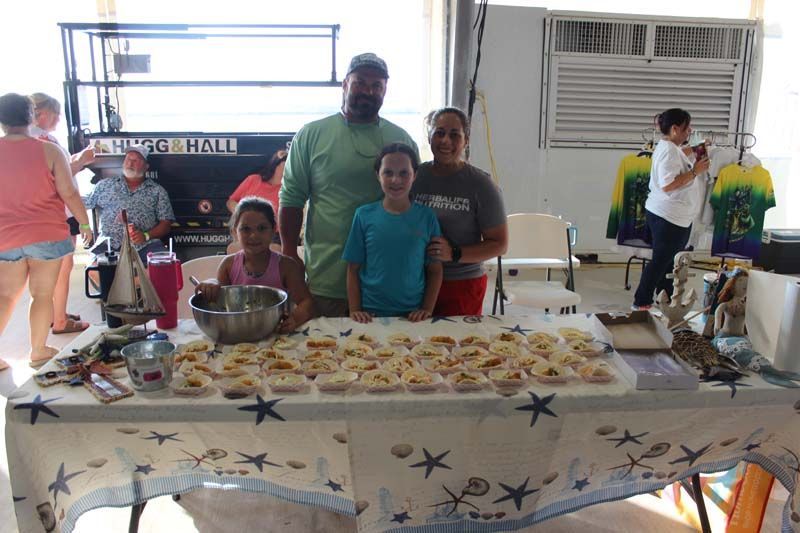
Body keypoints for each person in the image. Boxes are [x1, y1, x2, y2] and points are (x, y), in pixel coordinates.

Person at [280, 52, 419, 317]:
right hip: (328, 281)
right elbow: (291, 198)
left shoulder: (401, 139)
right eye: (360, 82)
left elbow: (417, 204)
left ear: (385, 90)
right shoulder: (311, 135)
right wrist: (289, 251)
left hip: (389, 285)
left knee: (394, 357)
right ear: (345, 84)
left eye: (377, 85)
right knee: (325, 355)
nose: (368, 90)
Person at [0, 93, 93, 370]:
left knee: (5, 296)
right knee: (42, 294)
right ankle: (38, 350)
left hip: (6, 236)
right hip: (48, 235)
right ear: (31, 116)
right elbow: (70, 193)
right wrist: (85, 223)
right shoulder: (50, 151)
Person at [410, 107, 508, 316]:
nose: (446, 140)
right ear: (429, 137)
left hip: (462, 285)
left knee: (459, 347)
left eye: (455, 134)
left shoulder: (481, 184)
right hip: (417, 283)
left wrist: (455, 253)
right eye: (439, 132)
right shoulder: (415, 177)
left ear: (466, 141)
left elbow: (500, 245)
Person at [343, 143, 443, 323]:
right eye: (388, 172)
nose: (396, 180)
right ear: (377, 175)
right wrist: (355, 309)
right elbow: (352, 268)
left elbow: (435, 270)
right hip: (370, 315)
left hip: (413, 316)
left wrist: (427, 309)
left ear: (415, 175)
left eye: (404, 173)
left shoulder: (427, 217)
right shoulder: (363, 215)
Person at [195, 197, 314, 333]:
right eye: (246, 229)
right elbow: (219, 301)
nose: (253, 236)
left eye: (262, 228)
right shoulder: (228, 265)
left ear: (273, 229)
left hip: (277, 336)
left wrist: (295, 319)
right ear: (234, 231)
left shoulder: (286, 266)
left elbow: (307, 303)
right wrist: (211, 284)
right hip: (238, 336)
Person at [30, 92, 95, 334]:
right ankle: (59, 321)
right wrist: (83, 161)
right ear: (42, 114)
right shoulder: (44, 141)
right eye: (56, 114)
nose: (58, 120)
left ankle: (54, 312)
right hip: (59, 213)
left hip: (48, 213)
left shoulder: (35, 141)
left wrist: (78, 159)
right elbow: (60, 178)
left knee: (51, 269)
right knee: (63, 266)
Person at [633, 108, 710, 310]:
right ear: (675, 129)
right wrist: (695, 171)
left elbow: (678, 155)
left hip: (672, 216)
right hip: (668, 217)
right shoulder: (668, 151)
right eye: (687, 128)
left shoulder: (669, 147)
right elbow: (668, 185)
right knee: (661, 261)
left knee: (668, 261)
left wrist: (694, 151)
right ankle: (641, 301)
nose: (690, 131)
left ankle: (664, 297)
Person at [83, 144, 175, 264]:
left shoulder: (157, 191)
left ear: (146, 166)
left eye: (136, 160)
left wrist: (145, 236)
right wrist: (84, 225)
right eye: (128, 159)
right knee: (94, 269)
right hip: (109, 244)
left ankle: (136, 282)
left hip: (145, 246)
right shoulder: (104, 185)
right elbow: (82, 204)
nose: (130, 164)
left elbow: (166, 224)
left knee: (163, 268)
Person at [227, 149, 287, 254]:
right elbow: (231, 201)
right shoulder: (253, 180)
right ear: (276, 164)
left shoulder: (287, 190)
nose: (287, 168)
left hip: (271, 235)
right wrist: (243, 213)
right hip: (245, 230)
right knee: (233, 249)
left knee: (274, 251)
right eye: (285, 164)